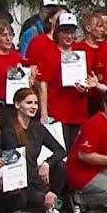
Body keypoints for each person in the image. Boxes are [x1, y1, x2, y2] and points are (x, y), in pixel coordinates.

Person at [5, 87, 70, 213]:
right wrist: (45, 191)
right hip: (16, 175)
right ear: (17, 105)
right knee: (33, 196)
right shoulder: (9, 130)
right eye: (29, 103)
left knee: (60, 167)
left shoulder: (37, 127)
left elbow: (60, 150)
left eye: (35, 103)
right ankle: (12, 211)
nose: (33, 107)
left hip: (34, 174)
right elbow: (18, 164)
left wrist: (47, 163)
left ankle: (50, 209)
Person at [33, 13, 98, 149]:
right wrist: (44, 113)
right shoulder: (48, 54)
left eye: (72, 32)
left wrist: (88, 86)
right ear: (58, 32)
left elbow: (89, 79)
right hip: (57, 112)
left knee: (77, 151)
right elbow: (43, 85)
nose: (69, 36)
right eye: (65, 32)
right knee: (61, 153)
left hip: (79, 112)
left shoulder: (82, 54)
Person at [0, 20, 28, 103]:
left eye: (10, 35)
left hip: (16, 102)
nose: (8, 39)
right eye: (4, 35)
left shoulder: (17, 57)